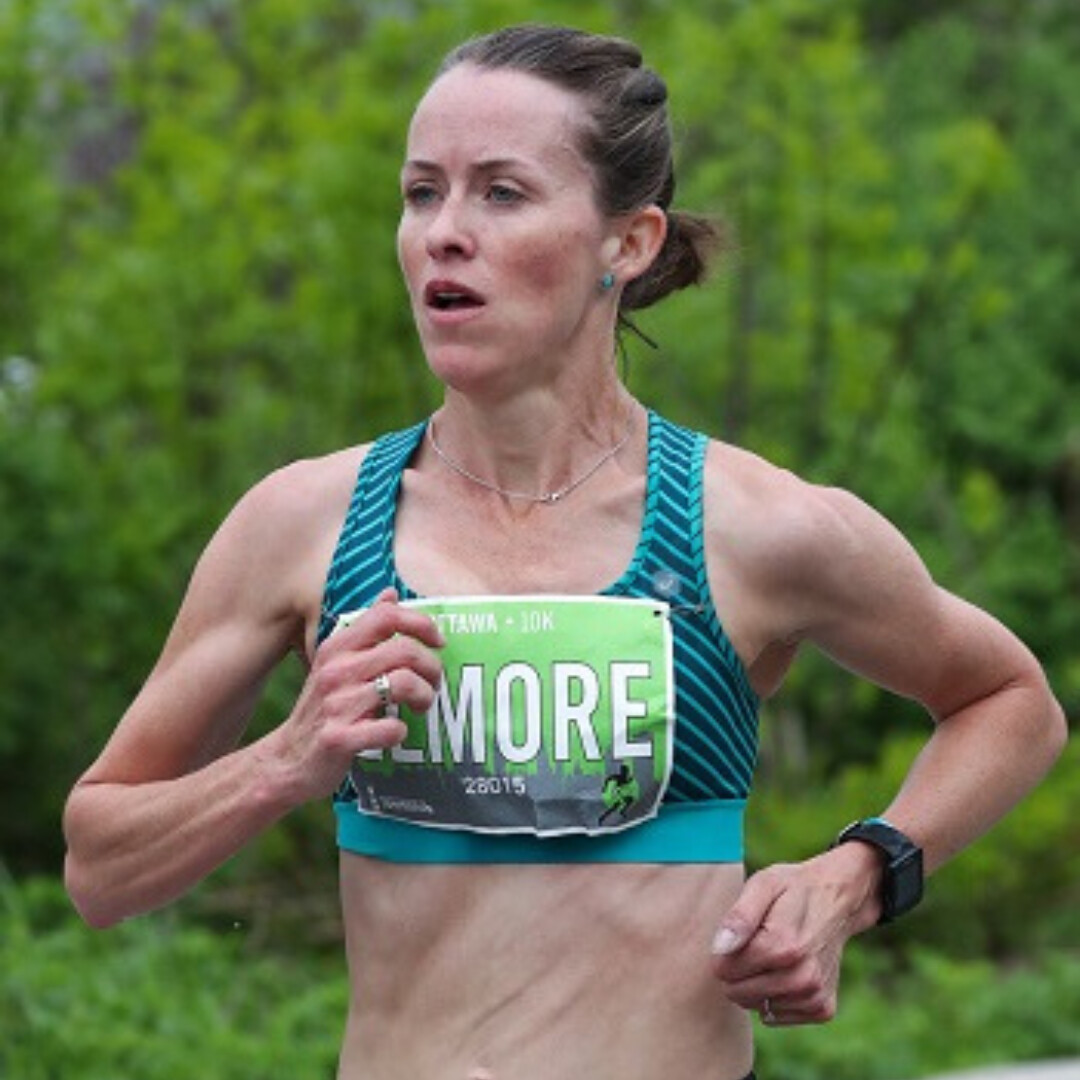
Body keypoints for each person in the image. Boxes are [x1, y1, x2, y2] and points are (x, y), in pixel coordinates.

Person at [63, 23, 1067, 1080]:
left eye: (501, 193)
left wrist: (851, 879)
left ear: (627, 243)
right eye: (421, 194)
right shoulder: (304, 523)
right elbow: (99, 865)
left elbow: (1012, 703)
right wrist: (283, 761)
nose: (445, 234)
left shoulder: (752, 526)